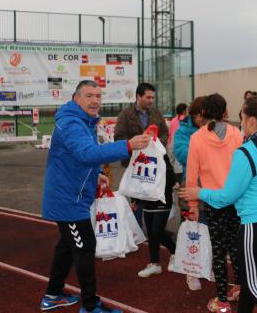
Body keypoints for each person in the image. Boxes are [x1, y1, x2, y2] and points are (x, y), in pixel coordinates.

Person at [179, 96, 257, 313]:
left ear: (252, 122)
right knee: (249, 282)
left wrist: (200, 192)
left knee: (253, 286)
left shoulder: (245, 153)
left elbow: (227, 197)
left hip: (255, 226)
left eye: (242, 118)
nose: (240, 123)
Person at [40, 80, 150, 313]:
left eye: (98, 96)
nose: (95, 101)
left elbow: (79, 157)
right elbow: (85, 153)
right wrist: (128, 145)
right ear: (76, 98)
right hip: (68, 200)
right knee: (84, 247)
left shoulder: (84, 121)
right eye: (89, 96)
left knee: (67, 246)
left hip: (73, 196)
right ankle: (90, 306)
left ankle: (52, 294)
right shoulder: (71, 122)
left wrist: (97, 174)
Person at [186, 93, 243, 313]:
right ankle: (238, 287)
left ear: (202, 114)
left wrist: (192, 206)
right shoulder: (236, 133)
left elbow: (192, 178)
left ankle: (222, 300)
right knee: (237, 248)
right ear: (224, 111)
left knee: (219, 251)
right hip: (237, 200)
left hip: (212, 202)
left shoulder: (197, 138)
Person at [114, 82, 169, 227]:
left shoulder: (156, 113)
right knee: (135, 199)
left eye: (153, 98)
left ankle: (154, 231)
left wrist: (155, 144)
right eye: (148, 97)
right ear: (138, 96)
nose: (151, 100)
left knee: (152, 197)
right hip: (133, 165)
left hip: (153, 165)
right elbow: (119, 137)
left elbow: (164, 133)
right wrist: (136, 145)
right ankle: (136, 231)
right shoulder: (125, 115)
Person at [172, 95, 206, 291]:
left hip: (212, 185)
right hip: (190, 183)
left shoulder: (213, 128)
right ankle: (190, 272)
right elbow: (183, 154)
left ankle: (205, 264)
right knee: (191, 229)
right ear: (193, 114)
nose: (204, 119)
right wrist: (207, 154)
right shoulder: (183, 131)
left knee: (209, 229)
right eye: (201, 115)